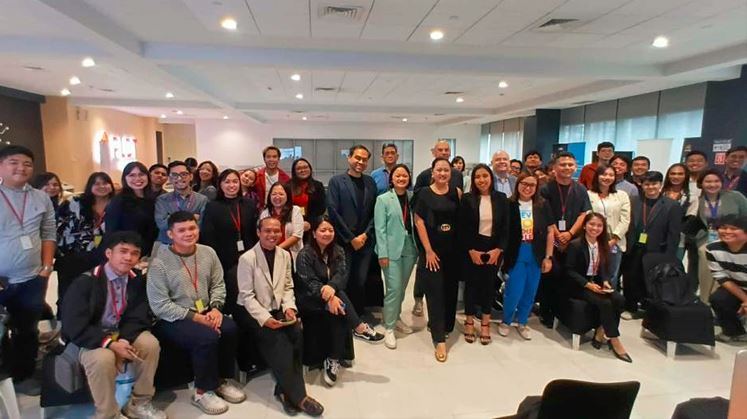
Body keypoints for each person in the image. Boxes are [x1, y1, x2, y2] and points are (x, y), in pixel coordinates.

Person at [147, 211, 245, 415]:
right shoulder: (159, 263)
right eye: (181, 230)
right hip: (173, 317)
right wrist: (198, 318)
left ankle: (220, 380)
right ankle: (202, 391)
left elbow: (218, 284)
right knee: (206, 337)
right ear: (170, 234)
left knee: (229, 328)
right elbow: (160, 305)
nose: (188, 233)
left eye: (192, 228)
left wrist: (216, 308)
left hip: (206, 310)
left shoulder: (208, 252)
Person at [61, 231, 166, 419]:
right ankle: (108, 414)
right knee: (103, 359)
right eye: (123, 251)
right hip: (89, 337)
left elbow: (139, 316)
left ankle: (139, 403)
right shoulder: (85, 282)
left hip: (121, 332)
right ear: (109, 253)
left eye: (134, 253)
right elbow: (74, 325)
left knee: (150, 345)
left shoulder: (137, 281)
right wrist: (110, 344)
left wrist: (124, 340)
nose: (128, 258)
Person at [234, 217, 324, 416]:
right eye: (267, 230)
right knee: (277, 339)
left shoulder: (284, 255)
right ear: (258, 232)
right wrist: (265, 318)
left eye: (276, 231)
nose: (272, 234)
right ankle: (300, 397)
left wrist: (289, 308)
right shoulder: (247, 258)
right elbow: (247, 296)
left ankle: (284, 392)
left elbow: (288, 286)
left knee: (296, 332)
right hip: (251, 310)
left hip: (277, 307)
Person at [295, 217, 384, 386]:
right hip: (310, 298)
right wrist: (330, 295)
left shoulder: (338, 251)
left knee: (339, 310)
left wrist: (331, 290)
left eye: (330, 230)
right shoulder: (304, 254)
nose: (327, 233)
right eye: (322, 230)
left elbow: (341, 275)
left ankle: (333, 359)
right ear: (313, 233)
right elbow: (309, 282)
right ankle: (359, 327)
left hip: (332, 294)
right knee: (339, 301)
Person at [0, 145, 56, 392]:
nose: (21, 168)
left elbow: (49, 233)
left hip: (33, 277)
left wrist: (46, 267)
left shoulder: (40, 197)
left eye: (27, 164)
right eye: (13, 162)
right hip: (2, 279)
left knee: (28, 328)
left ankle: (24, 375)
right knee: (1, 330)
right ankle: (5, 376)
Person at [565, 213, 631, 363]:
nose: (595, 228)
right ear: (584, 226)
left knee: (619, 299)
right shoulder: (575, 245)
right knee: (605, 303)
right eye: (592, 224)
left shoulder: (602, 245)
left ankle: (601, 330)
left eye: (599, 225)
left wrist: (606, 281)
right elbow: (569, 271)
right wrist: (588, 285)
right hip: (579, 285)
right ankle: (614, 339)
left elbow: (604, 268)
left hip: (597, 283)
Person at [414, 157, 461, 362]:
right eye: (439, 170)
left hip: (452, 252)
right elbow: (419, 222)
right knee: (435, 293)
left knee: (450, 292)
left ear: (451, 173)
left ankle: (446, 326)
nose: (442, 173)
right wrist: (428, 250)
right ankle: (439, 339)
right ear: (432, 172)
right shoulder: (424, 193)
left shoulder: (456, 193)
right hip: (432, 252)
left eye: (446, 170)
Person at [538, 151, 591, 327]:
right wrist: (557, 236)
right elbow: (545, 215)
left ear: (575, 167)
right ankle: (546, 312)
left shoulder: (581, 189)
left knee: (567, 279)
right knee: (549, 277)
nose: (567, 167)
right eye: (562, 164)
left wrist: (569, 234)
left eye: (570, 165)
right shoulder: (545, 189)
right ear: (554, 167)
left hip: (572, 241)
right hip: (551, 240)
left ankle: (563, 312)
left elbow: (584, 213)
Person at [459, 164, 509, 345]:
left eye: (485, 176)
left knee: (489, 286)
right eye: (477, 177)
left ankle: (486, 323)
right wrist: (470, 250)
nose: (481, 180)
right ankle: (469, 322)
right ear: (473, 180)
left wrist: (499, 249)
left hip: (494, 248)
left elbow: (506, 228)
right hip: (472, 247)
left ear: (491, 178)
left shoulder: (501, 198)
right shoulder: (467, 199)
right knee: (471, 286)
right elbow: (462, 227)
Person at [326, 145, 377, 316]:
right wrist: (351, 238)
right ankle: (343, 316)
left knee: (360, 280)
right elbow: (333, 211)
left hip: (365, 241)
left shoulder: (370, 182)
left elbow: (374, 212)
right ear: (349, 158)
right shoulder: (336, 181)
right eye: (357, 158)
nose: (360, 162)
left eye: (364, 159)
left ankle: (358, 316)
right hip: (343, 241)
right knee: (343, 280)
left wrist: (365, 235)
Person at [623, 171, 682, 319]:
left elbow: (673, 233)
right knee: (631, 277)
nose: (650, 187)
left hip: (657, 249)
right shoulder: (634, 201)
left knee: (652, 280)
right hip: (634, 246)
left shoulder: (672, 205)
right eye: (647, 184)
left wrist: (669, 255)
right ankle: (631, 307)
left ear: (660, 185)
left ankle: (649, 309)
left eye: (654, 184)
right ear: (642, 185)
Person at [502, 173, 554, 340]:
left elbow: (550, 232)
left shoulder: (542, 205)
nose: (527, 188)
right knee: (514, 290)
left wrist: (548, 257)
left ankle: (522, 322)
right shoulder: (508, 204)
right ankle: (506, 321)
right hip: (516, 252)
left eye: (532, 185)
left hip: (536, 253)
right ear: (517, 184)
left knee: (530, 290)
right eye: (524, 183)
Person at [55, 172, 115, 310]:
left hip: (103, 254)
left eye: (105, 183)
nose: (102, 186)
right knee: (70, 290)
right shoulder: (75, 202)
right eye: (97, 183)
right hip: (74, 253)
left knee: (96, 291)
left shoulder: (116, 204)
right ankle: (65, 317)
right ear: (89, 186)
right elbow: (59, 225)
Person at [374, 164, 417, 349]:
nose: (401, 178)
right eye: (397, 175)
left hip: (410, 248)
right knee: (394, 288)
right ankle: (389, 327)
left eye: (404, 175)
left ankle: (396, 316)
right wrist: (382, 253)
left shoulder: (413, 197)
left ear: (409, 178)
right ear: (391, 179)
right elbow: (380, 229)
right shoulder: (383, 199)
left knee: (402, 288)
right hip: (390, 250)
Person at [693, 169, 747, 303]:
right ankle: (705, 301)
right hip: (708, 240)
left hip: (735, 240)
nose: (712, 184)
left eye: (716, 181)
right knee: (705, 262)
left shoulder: (735, 197)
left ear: (721, 182)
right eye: (708, 181)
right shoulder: (698, 200)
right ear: (701, 183)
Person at [200, 169, 258, 272]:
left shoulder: (250, 204)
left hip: (248, 255)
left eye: (235, 181)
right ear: (220, 185)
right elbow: (207, 237)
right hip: (223, 259)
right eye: (227, 182)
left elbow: (254, 233)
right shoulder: (212, 207)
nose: (232, 185)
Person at [587, 165, 631, 290]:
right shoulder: (588, 194)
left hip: (615, 241)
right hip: (593, 240)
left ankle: (610, 300)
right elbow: (586, 216)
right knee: (592, 274)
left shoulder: (622, 195)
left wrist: (614, 239)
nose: (607, 177)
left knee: (611, 276)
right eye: (604, 174)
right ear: (597, 176)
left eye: (611, 175)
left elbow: (625, 219)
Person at [706, 215, 747, 343]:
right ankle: (734, 332)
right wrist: (746, 299)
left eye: (734, 229)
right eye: (723, 228)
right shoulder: (712, 249)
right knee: (718, 299)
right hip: (739, 287)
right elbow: (722, 278)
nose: (727, 232)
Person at [104, 161, 158, 257]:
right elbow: (111, 232)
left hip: (148, 253)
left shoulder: (152, 200)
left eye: (141, 174)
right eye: (132, 175)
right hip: (126, 253)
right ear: (125, 178)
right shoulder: (118, 201)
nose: (137, 178)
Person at [155, 160, 209, 245]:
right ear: (170, 179)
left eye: (184, 174)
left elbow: (201, 226)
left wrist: (171, 217)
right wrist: (192, 216)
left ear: (191, 176)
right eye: (174, 175)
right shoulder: (162, 200)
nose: (179, 178)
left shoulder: (202, 200)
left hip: (191, 245)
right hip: (167, 245)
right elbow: (162, 225)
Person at [260, 182, 304, 262]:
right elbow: (262, 234)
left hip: (291, 255)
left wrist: (277, 250)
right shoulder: (265, 213)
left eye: (281, 194)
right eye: (274, 194)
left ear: (287, 196)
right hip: (269, 255)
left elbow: (297, 235)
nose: (277, 197)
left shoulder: (295, 211)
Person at [662, 163, 696, 260]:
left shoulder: (691, 197)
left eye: (680, 174)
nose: (676, 177)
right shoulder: (660, 193)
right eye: (673, 173)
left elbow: (689, 220)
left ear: (686, 176)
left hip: (678, 240)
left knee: (673, 266)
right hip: (656, 238)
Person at [290, 158, 327, 235]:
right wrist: (297, 222)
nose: (303, 170)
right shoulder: (288, 186)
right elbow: (285, 207)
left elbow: (321, 208)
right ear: (294, 171)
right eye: (299, 168)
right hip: (291, 224)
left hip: (312, 224)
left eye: (305, 167)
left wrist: (309, 223)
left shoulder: (318, 186)